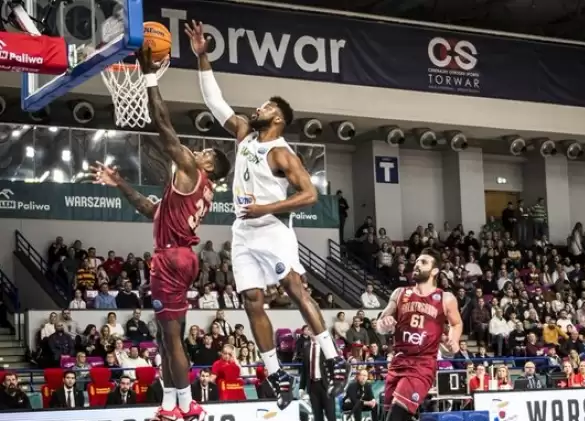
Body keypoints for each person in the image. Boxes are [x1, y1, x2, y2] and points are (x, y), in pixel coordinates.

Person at [185, 20, 348, 408]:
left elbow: (309, 195)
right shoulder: (243, 133)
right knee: (252, 301)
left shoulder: (282, 153)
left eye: (267, 107)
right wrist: (202, 56)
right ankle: (275, 374)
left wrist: (266, 206)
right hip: (242, 229)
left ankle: (333, 357)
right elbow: (214, 101)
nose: (258, 108)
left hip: (272, 226)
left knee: (294, 288)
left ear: (277, 118)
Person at [91, 46, 230, 421]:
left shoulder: (192, 172)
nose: (199, 151)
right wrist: (120, 181)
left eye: (206, 153)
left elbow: (164, 123)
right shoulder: (200, 190)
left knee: (170, 339)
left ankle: (186, 406)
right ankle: (170, 404)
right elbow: (150, 209)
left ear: (211, 168)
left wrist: (149, 75)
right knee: (167, 339)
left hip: (170, 260)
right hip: (180, 257)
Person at [375, 248, 462, 421]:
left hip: (422, 365)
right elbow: (380, 325)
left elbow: (456, 323)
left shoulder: (445, 298)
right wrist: (384, 324)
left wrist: (454, 340)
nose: (417, 265)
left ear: (434, 271)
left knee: (395, 417)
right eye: (416, 262)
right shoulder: (400, 293)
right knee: (393, 416)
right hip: (398, 361)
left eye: (423, 262)